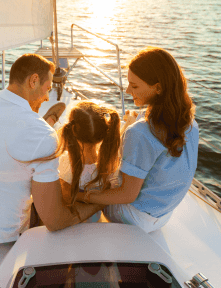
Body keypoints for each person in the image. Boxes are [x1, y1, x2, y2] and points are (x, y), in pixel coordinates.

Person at [0, 54, 102, 244]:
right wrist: (98, 203)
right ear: (33, 81)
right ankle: (47, 124)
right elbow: (55, 221)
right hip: (2, 234)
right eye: (48, 88)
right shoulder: (43, 136)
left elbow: (4, 121)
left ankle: (47, 122)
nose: (48, 97)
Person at [76, 47, 199, 233]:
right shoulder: (189, 122)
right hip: (162, 215)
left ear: (158, 88)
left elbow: (127, 195)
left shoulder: (140, 132)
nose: (127, 90)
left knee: (87, 169)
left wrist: (84, 197)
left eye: (134, 86)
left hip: (133, 218)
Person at [56, 101, 122, 222]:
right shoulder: (109, 164)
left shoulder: (65, 162)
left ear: (72, 130)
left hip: (71, 226)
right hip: (95, 223)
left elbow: (62, 197)